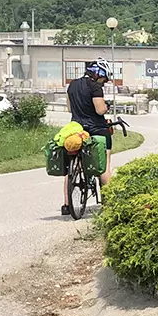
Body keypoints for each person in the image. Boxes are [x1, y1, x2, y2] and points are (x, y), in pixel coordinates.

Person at [62, 58, 114, 216]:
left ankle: (66, 205)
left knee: (70, 169)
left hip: (77, 129)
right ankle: (109, 203)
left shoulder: (72, 85)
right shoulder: (95, 87)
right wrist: (106, 106)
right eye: (104, 79)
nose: (104, 82)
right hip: (97, 128)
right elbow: (99, 110)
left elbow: (70, 108)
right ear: (98, 74)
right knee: (104, 167)